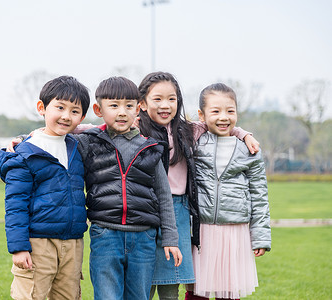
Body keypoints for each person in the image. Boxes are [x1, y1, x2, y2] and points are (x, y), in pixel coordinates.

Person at [137, 72, 260, 300]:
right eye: (158, 99)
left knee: (172, 278)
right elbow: (103, 127)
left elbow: (218, 124)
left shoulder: (187, 130)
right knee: (142, 278)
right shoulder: (137, 129)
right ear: (142, 104)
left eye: (172, 99)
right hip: (146, 207)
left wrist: (243, 134)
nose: (165, 105)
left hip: (180, 210)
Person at [75, 76, 182, 300]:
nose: (122, 112)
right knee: (107, 296)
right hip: (105, 234)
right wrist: (25, 137)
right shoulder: (88, 142)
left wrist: (171, 239)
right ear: (99, 109)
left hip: (143, 238)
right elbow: (54, 134)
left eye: (129, 106)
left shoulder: (150, 148)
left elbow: (163, 195)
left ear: (139, 108)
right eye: (114, 106)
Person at [0, 75, 91, 300]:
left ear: (83, 116)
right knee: (32, 295)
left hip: (72, 242)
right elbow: (15, 205)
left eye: (75, 111)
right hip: (38, 243)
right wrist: (19, 247)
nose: (66, 116)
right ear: (42, 107)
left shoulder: (77, 147)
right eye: (60, 107)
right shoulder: (24, 152)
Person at [185, 83, 271, 300]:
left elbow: (259, 195)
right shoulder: (195, 142)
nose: (224, 117)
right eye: (215, 111)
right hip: (201, 230)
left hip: (235, 231)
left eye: (230, 111)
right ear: (201, 115)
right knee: (197, 289)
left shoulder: (249, 149)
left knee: (229, 290)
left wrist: (260, 237)